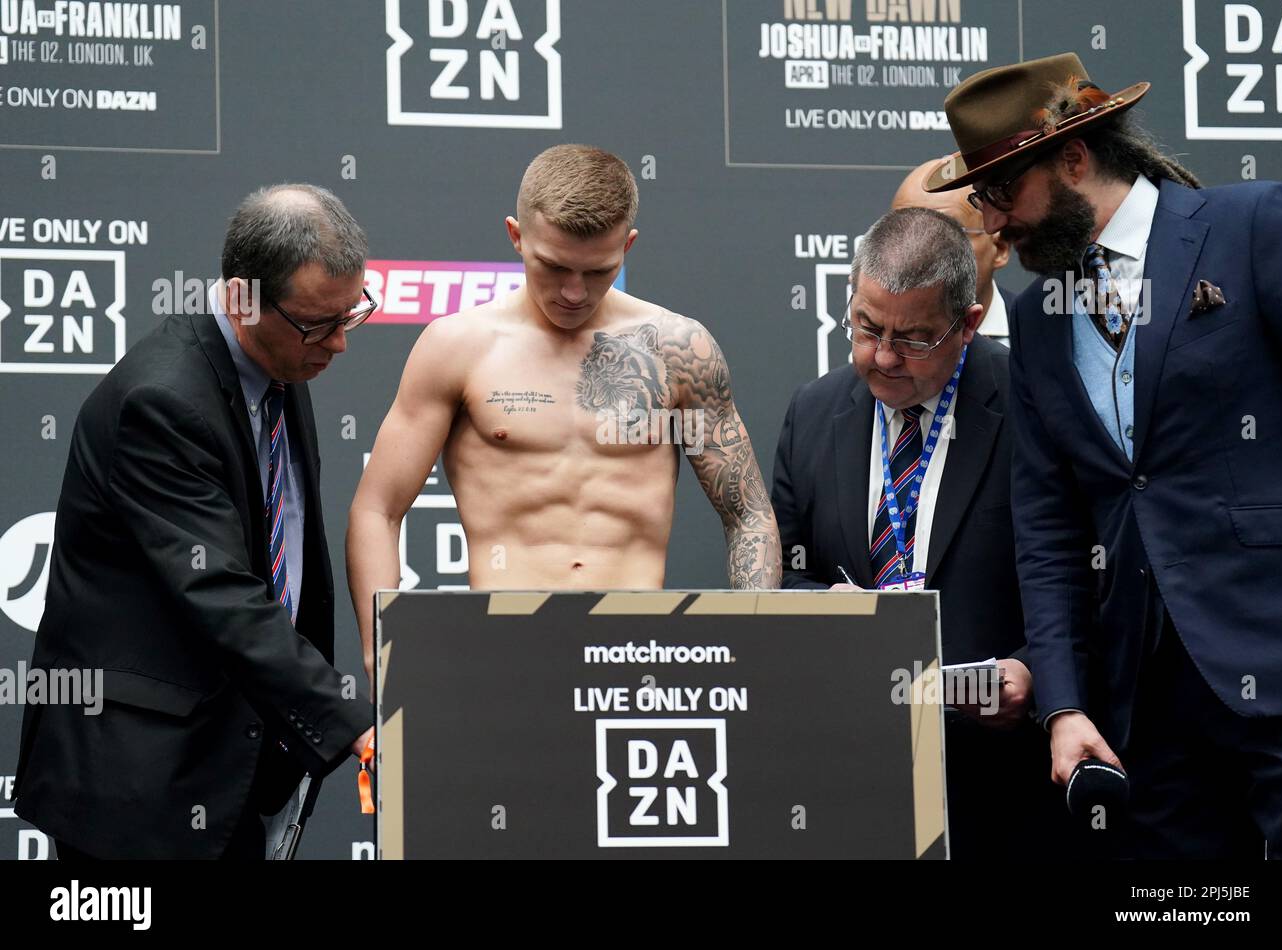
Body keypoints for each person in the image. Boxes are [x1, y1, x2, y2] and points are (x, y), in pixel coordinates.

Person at [930, 52, 1282, 858]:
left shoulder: (1251, 227)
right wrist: (1064, 707)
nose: (991, 223)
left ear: (1073, 157)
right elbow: (1050, 529)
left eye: (1001, 192)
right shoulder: (1035, 322)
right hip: (1146, 714)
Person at [14, 184, 376, 860]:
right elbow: (222, 594)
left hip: (238, 763)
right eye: (318, 324)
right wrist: (352, 724)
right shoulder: (163, 401)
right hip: (143, 785)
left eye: (352, 313)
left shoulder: (279, 364)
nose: (339, 343)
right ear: (242, 300)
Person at [348, 145, 780, 690]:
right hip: (503, 653)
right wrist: (381, 652)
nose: (574, 292)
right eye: (552, 267)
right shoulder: (458, 346)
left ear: (628, 246)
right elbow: (378, 510)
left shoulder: (678, 349)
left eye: (599, 271)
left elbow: (748, 515)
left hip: (640, 655)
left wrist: (759, 638)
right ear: (516, 236)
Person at [771, 207, 1070, 857]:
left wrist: (1034, 672)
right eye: (866, 327)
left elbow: (1091, 577)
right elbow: (777, 573)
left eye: (912, 339)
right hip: (851, 779)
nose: (881, 357)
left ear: (966, 324)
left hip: (1004, 786)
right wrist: (821, 607)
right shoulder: (812, 412)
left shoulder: (1037, 403)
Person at [891, 157, 1015, 344]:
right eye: (904, 235)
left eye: (947, 236)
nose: (921, 254)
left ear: (999, 248)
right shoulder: (874, 344)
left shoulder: (1044, 332)